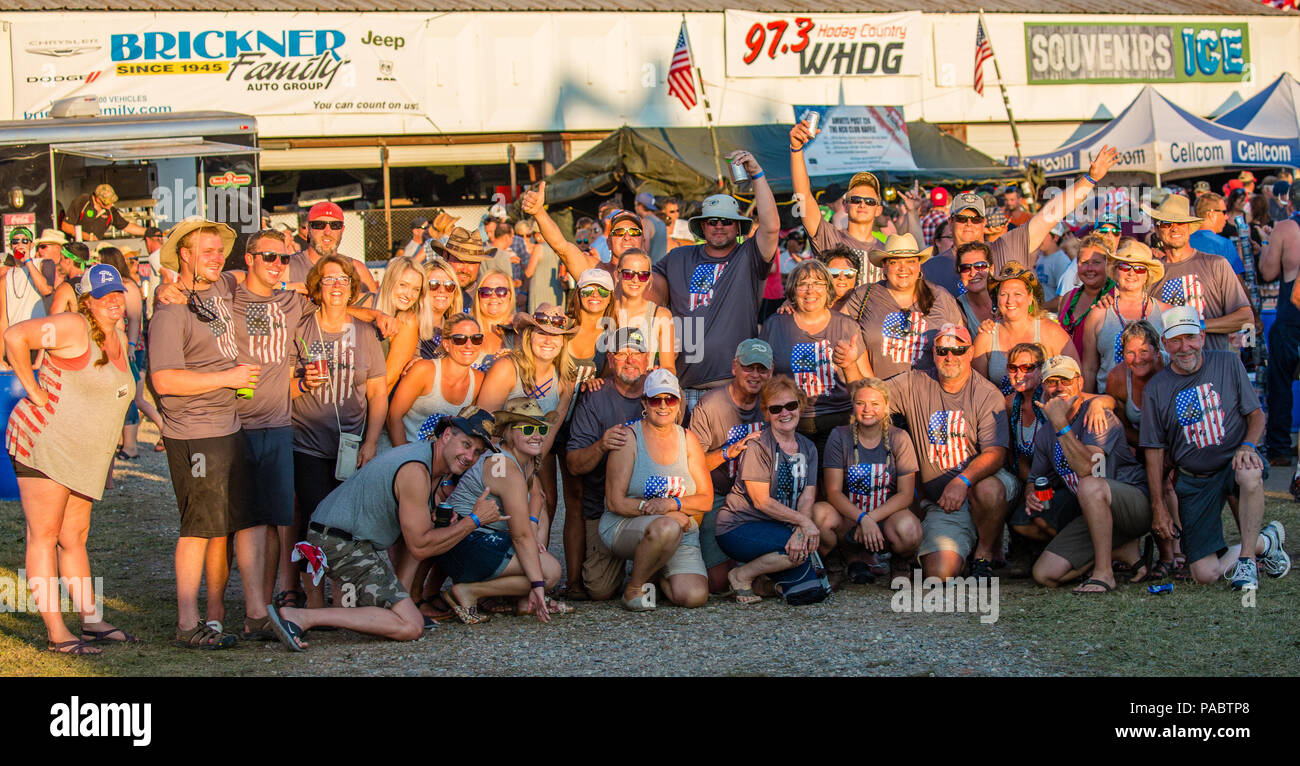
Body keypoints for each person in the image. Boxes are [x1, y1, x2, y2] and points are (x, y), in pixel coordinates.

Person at [265, 409, 498, 648]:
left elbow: (417, 537)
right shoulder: (416, 470)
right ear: (447, 435)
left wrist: (442, 521)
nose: (470, 456)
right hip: (338, 542)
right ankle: (300, 617)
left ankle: (401, 601)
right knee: (411, 626)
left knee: (425, 528)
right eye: (466, 444)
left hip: (343, 537)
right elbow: (420, 546)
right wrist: (474, 521)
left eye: (477, 452)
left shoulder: (430, 461)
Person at [4, 264, 137, 654]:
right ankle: (57, 634)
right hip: (44, 444)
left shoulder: (119, 338)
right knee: (43, 536)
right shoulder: (74, 326)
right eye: (103, 295)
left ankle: (91, 620)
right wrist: (33, 389)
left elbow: (117, 396)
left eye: (117, 293)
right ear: (87, 301)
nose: (113, 301)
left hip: (83, 454)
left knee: (75, 536)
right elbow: (15, 336)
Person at [149, 219, 266, 649]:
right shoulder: (170, 309)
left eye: (220, 250)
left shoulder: (218, 290)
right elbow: (164, 380)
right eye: (208, 250)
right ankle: (186, 623)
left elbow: (259, 276)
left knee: (236, 522)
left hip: (228, 425)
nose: (218, 257)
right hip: (194, 431)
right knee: (198, 528)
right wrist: (228, 377)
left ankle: (251, 615)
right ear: (184, 253)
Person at [1139, 307, 1290, 590]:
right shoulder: (1156, 388)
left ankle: (1245, 562)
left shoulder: (1228, 363)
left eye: (1191, 337)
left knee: (1249, 471)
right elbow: (1154, 450)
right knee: (1204, 574)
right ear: (1165, 343)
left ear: (1203, 336)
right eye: (1176, 340)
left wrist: (1247, 446)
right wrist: (1158, 505)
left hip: (1233, 462)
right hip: (1194, 479)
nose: (1185, 347)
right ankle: (1264, 540)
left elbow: (1256, 415)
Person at [290, 255, 388, 608]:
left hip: (352, 444)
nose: (336, 286)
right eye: (328, 279)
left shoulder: (364, 333)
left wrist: (372, 441)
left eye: (343, 280)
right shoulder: (300, 328)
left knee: (348, 525)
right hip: (308, 444)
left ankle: (344, 598)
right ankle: (314, 601)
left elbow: (378, 393)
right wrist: (300, 382)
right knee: (315, 522)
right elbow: (278, 384)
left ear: (352, 289)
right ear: (316, 287)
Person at [651, 151, 778, 411]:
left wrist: (756, 173)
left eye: (727, 221)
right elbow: (642, 288)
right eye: (713, 221)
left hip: (735, 388)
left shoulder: (748, 257)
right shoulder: (677, 257)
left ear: (738, 227)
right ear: (702, 226)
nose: (719, 226)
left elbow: (771, 227)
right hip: (686, 389)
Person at [887, 323, 1015, 581]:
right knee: (940, 574)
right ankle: (965, 544)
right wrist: (850, 363)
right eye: (943, 350)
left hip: (980, 485)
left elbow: (996, 453)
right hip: (943, 504)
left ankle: (984, 555)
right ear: (933, 353)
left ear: (969, 352)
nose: (950, 357)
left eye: (958, 350)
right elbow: (872, 396)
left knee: (987, 489)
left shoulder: (986, 393)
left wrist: (962, 480)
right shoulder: (915, 383)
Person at [432, 399, 570, 624]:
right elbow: (520, 535)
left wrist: (533, 526)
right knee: (550, 573)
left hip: (477, 538)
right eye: (528, 428)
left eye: (541, 428)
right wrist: (538, 583)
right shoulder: (504, 466)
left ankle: (525, 599)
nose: (537, 435)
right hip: (463, 544)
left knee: (539, 516)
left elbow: (538, 496)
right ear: (508, 432)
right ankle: (469, 592)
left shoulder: (522, 460)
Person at [1022, 357, 1151, 593]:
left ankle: (1104, 574)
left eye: (1066, 380)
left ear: (1079, 382)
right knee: (1044, 574)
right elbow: (1035, 479)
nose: (1059, 387)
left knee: (1089, 485)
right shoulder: (1045, 434)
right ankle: (1117, 550)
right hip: (1096, 514)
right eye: (1051, 382)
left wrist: (1061, 423)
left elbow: (1087, 469)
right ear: (1043, 387)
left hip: (1134, 506)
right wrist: (1031, 494)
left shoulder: (1098, 416)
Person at [924, 146, 1119, 296]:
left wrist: (1090, 179)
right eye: (961, 218)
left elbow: (1048, 216)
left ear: (984, 223)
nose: (969, 224)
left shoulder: (1004, 248)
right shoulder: (931, 267)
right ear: (950, 222)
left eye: (975, 219)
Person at [715, 376, 837, 604]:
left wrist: (802, 525)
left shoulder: (808, 447)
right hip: (739, 525)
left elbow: (808, 496)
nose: (785, 413)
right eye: (776, 408)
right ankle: (741, 575)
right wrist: (805, 524)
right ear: (766, 413)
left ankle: (765, 579)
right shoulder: (759, 445)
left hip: (781, 526)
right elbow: (761, 502)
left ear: (800, 406)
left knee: (810, 593)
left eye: (791, 405)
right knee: (801, 551)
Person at [601, 369, 712, 610]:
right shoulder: (628, 438)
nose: (663, 406)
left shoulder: (688, 439)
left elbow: (706, 500)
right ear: (644, 402)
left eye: (670, 399)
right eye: (655, 399)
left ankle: (657, 568)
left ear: (679, 403)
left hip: (680, 529)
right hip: (626, 524)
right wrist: (664, 515)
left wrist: (672, 505)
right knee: (666, 527)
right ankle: (634, 588)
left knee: (694, 597)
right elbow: (614, 502)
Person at [566, 327, 656, 600]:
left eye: (637, 353)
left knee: (670, 588)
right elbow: (573, 464)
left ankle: (649, 567)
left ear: (648, 357)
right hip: (607, 509)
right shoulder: (595, 396)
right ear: (609, 359)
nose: (630, 360)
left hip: (651, 506)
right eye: (621, 354)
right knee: (599, 589)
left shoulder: (661, 392)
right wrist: (602, 445)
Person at [478, 303, 577, 535]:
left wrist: (530, 472)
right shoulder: (506, 368)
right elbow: (483, 426)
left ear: (563, 341)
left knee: (547, 499)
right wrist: (513, 472)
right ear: (529, 336)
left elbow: (549, 434)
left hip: (532, 455)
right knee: (519, 502)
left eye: (556, 335)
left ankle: (536, 554)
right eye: (541, 332)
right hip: (495, 453)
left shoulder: (565, 380)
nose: (548, 340)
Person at [816, 378, 923, 583]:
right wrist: (861, 518)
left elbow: (906, 494)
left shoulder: (899, 438)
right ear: (853, 405)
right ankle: (837, 562)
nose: (867, 409)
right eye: (861, 403)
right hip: (850, 519)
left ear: (886, 407)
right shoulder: (839, 436)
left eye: (875, 404)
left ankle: (900, 562)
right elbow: (833, 492)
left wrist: (871, 518)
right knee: (819, 514)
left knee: (910, 530)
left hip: (886, 518)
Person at [688, 339, 773, 592]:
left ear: (770, 371)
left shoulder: (776, 403)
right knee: (717, 583)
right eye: (749, 367)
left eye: (762, 369)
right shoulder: (711, 405)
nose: (755, 375)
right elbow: (692, 463)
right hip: (719, 494)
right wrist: (729, 452)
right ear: (734, 366)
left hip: (759, 495)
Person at [763, 260, 865, 458]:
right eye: (803, 284)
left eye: (818, 283)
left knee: (832, 485)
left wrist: (850, 364)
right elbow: (764, 380)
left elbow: (860, 385)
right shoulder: (775, 325)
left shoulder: (846, 326)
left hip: (838, 422)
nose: (811, 291)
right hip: (790, 422)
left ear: (828, 289)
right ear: (793, 290)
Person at [841, 233, 963, 381]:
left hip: (929, 397)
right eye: (894, 262)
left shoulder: (941, 297)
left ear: (919, 265)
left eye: (910, 261)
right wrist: (870, 384)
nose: (903, 268)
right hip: (880, 396)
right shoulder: (864, 296)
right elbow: (843, 331)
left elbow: (961, 344)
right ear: (884, 267)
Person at [1144, 196, 1252, 352]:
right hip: (1170, 370)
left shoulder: (1216, 264)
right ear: (1157, 229)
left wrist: (1194, 325)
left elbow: (1245, 318)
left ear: (1189, 227)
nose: (1174, 228)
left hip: (1213, 367)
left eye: (1180, 222)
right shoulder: (1150, 272)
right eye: (1166, 224)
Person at [972, 262, 1078, 395]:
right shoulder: (986, 335)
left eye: (1017, 294)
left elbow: (1076, 379)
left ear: (1030, 298)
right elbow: (977, 389)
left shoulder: (1051, 332)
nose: (1010, 301)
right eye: (1004, 294)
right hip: (1000, 413)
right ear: (997, 299)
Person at [1080, 240, 1170, 394]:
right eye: (1125, 266)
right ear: (1115, 272)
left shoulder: (1166, 313)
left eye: (1140, 268)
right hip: (1111, 405)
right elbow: (1089, 368)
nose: (1131, 273)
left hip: (1158, 403)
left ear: (1147, 275)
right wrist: (1085, 404)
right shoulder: (1097, 315)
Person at [386, 314, 484, 448]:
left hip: (439, 462)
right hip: (399, 449)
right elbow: (393, 417)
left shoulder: (479, 381)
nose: (469, 345)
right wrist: (407, 459)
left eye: (476, 339)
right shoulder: (424, 370)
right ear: (446, 344)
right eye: (459, 339)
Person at [522, 184, 646, 282]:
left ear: (643, 241)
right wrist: (539, 213)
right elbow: (562, 247)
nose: (627, 236)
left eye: (634, 232)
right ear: (608, 242)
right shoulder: (596, 271)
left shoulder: (656, 281)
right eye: (619, 232)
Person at [1262, 184, 1300, 466]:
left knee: (1281, 382)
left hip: (1291, 316)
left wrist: (1264, 244)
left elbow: (1268, 271)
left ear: (1289, 202)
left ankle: (1279, 449)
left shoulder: (1286, 228)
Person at [372, 255, 444, 390]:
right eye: (403, 285)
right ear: (389, 282)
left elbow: (387, 382)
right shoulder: (368, 305)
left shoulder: (407, 321)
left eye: (416, 289)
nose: (409, 295)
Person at [286, 202, 378, 294]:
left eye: (335, 225)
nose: (327, 232)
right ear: (309, 229)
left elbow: (375, 305)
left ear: (342, 230)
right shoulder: (288, 266)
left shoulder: (358, 270)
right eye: (319, 225)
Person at [612, 249, 675, 373]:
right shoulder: (606, 310)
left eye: (643, 275)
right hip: (610, 388)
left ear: (649, 279)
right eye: (628, 274)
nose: (635, 280)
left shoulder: (661, 315)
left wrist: (658, 373)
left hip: (645, 389)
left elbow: (669, 367)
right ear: (617, 275)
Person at [1054, 235, 1116, 352]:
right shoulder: (1069, 296)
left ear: (1107, 264)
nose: (1089, 268)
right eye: (1084, 262)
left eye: (1096, 262)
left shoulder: (1113, 298)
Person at [430, 226, 494, 309]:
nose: (465, 269)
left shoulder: (488, 299)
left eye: (472, 263)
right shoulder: (430, 293)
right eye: (460, 261)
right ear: (446, 256)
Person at [1189, 193, 1248, 278]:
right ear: (1211, 214)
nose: (1226, 217)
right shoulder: (1223, 244)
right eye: (1224, 212)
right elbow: (1237, 283)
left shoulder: (1185, 242)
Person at [61, 184, 146, 241]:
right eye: (107, 203)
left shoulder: (110, 211)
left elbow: (127, 227)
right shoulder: (82, 201)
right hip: (73, 245)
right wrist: (88, 237)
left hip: (93, 249)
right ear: (98, 199)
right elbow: (65, 226)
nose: (111, 205)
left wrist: (149, 232)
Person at [469, 268, 517, 364]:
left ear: (510, 296)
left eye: (501, 291)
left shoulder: (520, 333)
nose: (493, 296)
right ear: (478, 296)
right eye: (486, 291)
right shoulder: (465, 331)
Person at [486, 217, 529, 310]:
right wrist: (517, 283)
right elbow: (507, 284)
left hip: (486, 298)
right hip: (502, 301)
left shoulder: (485, 251)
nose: (513, 240)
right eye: (512, 237)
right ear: (506, 237)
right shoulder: (503, 255)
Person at [523, 219, 564, 311]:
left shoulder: (539, 247)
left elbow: (529, 272)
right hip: (556, 291)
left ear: (537, 234)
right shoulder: (559, 247)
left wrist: (523, 292)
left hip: (539, 292)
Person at [953, 241, 994, 334]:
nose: (973, 273)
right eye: (965, 268)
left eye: (980, 266)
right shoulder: (956, 308)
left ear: (991, 269)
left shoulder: (1006, 299)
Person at [635, 191, 669, 266]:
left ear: (640, 205)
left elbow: (644, 249)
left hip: (650, 269)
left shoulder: (646, 222)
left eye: (635, 205)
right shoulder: (661, 222)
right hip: (660, 268)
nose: (635, 208)